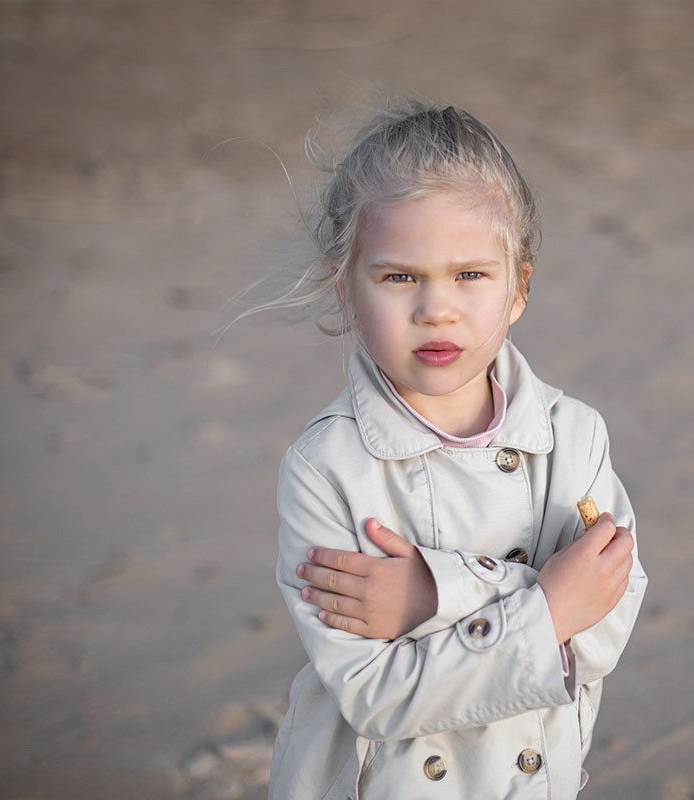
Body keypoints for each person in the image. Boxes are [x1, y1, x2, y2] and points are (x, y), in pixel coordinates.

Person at [266, 99, 647, 799]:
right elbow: (378, 699)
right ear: (346, 290)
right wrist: (550, 607)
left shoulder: (574, 437)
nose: (435, 308)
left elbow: (605, 625)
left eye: (470, 274)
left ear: (518, 290)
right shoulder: (325, 471)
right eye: (399, 277)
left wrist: (434, 594)